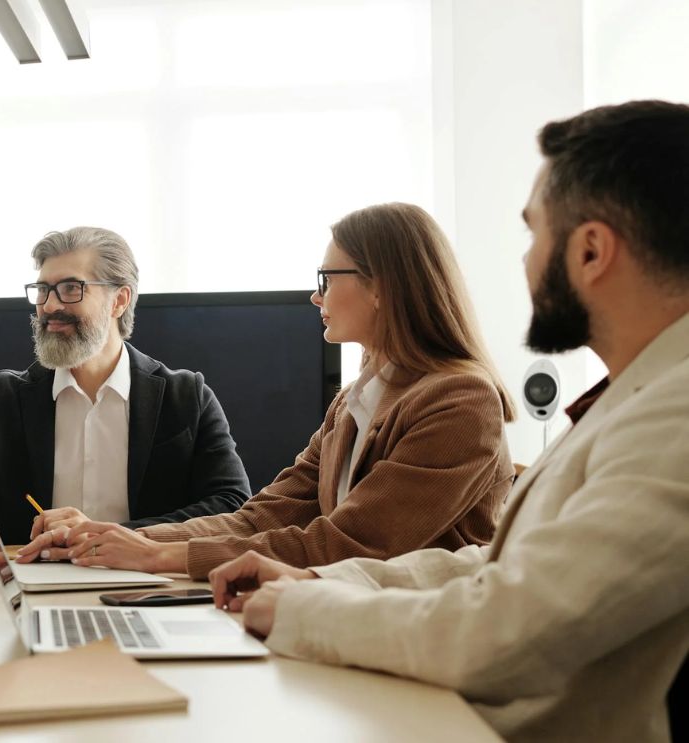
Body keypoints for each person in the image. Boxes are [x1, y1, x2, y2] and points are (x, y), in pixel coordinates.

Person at [209, 100, 689, 743]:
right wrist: (321, 581)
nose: (524, 262)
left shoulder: (674, 416)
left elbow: (512, 627)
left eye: (533, 233)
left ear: (593, 250)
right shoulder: (637, 395)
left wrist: (305, 609)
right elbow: (493, 565)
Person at [18, 203, 515, 579]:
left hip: (415, 650)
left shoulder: (460, 402)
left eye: (327, 277)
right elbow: (262, 516)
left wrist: (162, 555)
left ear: (381, 286)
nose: (315, 295)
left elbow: (352, 544)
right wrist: (121, 540)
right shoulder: (352, 403)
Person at [0, 226, 251, 544]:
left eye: (71, 288)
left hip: (148, 583)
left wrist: (114, 536)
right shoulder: (3, 398)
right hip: (36, 585)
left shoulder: (186, 397)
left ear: (119, 300)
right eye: (42, 290)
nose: (50, 305)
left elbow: (231, 505)